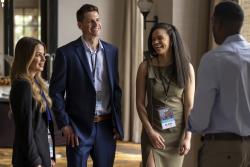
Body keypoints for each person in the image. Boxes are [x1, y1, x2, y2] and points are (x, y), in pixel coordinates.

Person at [49, 3, 123, 167]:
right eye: (90, 21)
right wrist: (65, 124)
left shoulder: (112, 51)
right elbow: (56, 92)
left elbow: (115, 90)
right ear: (80, 25)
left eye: (97, 19)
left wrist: (117, 123)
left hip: (106, 126)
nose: (96, 24)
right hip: (77, 127)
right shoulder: (66, 53)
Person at [188, 1, 250, 167]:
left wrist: (183, 123)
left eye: (212, 22)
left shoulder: (213, 59)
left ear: (218, 23)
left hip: (223, 151)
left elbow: (200, 120)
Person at [136, 23, 195, 167]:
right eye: (153, 39)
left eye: (160, 38)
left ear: (172, 40)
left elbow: (189, 106)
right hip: (153, 131)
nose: (155, 42)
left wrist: (188, 137)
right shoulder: (145, 67)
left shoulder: (186, 68)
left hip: (176, 134)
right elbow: (139, 103)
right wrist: (149, 131)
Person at [10, 37, 56, 167]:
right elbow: (25, 130)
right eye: (38, 55)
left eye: (43, 55)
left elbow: (45, 126)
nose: (43, 59)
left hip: (42, 152)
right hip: (30, 158)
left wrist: (50, 155)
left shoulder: (37, 83)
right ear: (26, 57)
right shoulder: (23, 85)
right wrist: (35, 161)